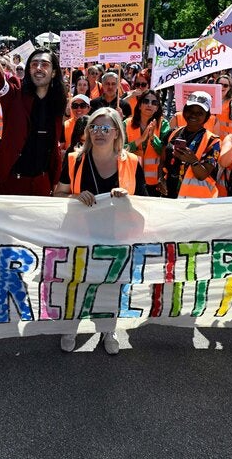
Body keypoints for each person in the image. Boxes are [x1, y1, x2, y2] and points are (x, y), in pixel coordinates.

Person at [53, 108, 147, 354]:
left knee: (112, 286)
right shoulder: (74, 159)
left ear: (117, 133)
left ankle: (108, 329)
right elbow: (57, 193)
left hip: (118, 237)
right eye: (94, 128)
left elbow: (146, 203)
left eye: (106, 129)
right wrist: (75, 195)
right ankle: (71, 326)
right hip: (80, 235)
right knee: (77, 284)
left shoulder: (133, 162)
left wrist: (128, 199)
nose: (99, 133)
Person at [0, 35, 67, 196]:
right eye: (34, 64)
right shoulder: (15, 93)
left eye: (44, 64)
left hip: (43, 183)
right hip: (13, 183)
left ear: (53, 72)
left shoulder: (58, 102)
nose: (38, 68)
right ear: (29, 70)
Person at [158, 91, 220, 198]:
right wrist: (160, 179)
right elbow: (162, 161)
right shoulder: (172, 133)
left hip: (194, 201)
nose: (193, 115)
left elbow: (203, 175)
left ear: (207, 116)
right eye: (189, 110)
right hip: (169, 196)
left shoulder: (213, 141)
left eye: (199, 113)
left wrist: (193, 161)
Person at [124, 89, 169, 195]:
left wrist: (152, 137)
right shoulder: (126, 123)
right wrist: (140, 140)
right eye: (146, 101)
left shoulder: (164, 124)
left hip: (154, 184)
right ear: (139, 105)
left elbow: (165, 152)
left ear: (157, 108)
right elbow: (119, 150)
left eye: (154, 103)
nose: (149, 105)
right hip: (130, 180)